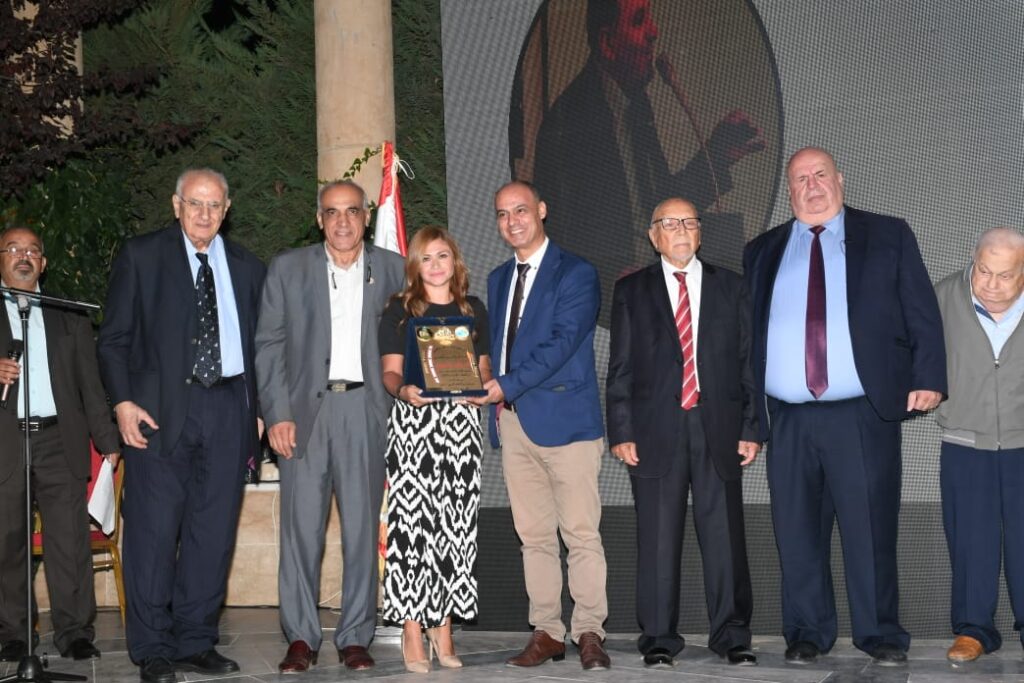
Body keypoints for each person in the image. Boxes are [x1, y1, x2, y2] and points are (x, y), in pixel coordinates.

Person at [743, 147, 946, 666]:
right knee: (796, 532)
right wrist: (749, 417)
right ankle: (807, 632)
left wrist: (928, 376)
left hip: (861, 412)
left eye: (820, 175)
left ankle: (880, 634)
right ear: (789, 191)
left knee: (870, 529)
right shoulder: (762, 250)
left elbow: (920, 309)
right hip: (788, 417)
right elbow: (747, 340)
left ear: (840, 179)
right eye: (800, 179)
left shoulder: (887, 234)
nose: (811, 186)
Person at [97, 169, 266, 683]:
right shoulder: (142, 256)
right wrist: (123, 403)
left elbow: (262, 347)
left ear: (227, 209)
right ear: (176, 206)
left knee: (212, 534)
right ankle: (152, 648)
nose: (204, 214)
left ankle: (195, 640)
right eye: (195, 203)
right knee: (152, 533)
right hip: (158, 413)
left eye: (214, 205)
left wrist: (259, 409)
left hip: (228, 409)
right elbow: (113, 339)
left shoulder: (247, 267)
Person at [530, 0, 765, 325]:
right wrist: (609, 279)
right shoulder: (570, 121)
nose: (654, 32)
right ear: (608, 43)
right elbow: (556, 237)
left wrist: (716, 155)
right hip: (616, 310)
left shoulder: (637, 105)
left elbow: (662, 204)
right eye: (640, 21)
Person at [255, 179, 405, 675]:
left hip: (367, 411)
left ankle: (356, 636)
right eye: (332, 212)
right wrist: (277, 413)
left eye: (352, 211)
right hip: (303, 417)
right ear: (318, 219)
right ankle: (301, 636)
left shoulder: (394, 269)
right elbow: (269, 344)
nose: (343, 221)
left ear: (366, 216)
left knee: (362, 531)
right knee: (300, 532)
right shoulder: (288, 268)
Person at [606, 198, 758, 667]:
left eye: (689, 222)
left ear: (700, 232)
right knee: (657, 539)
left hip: (719, 429)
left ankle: (732, 636)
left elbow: (748, 362)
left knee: (725, 539)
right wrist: (621, 430)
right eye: (669, 224)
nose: (680, 230)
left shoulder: (731, 286)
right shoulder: (631, 290)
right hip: (654, 431)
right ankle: (657, 638)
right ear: (653, 236)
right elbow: (620, 366)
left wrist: (751, 426)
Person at [472, 181, 610, 670]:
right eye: (502, 214)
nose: (512, 221)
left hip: (567, 424)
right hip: (514, 424)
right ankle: (548, 630)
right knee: (533, 536)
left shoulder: (577, 272)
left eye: (521, 210)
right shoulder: (497, 279)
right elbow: (497, 350)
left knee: (581, 534)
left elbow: (562, 342)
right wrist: (480, 377)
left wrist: (504, 384)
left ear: (542, 210)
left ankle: (589, 630)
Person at [0, 227, 119, 663]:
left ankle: (74, 632)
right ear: (0, 259)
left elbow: (90, 383)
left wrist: (107, 439)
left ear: (44, 263)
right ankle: (14, 632)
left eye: (33, 250)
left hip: (58, 438)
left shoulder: (68, 314)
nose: (24, 256)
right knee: (6, 540)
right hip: (5, 439)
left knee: (69, 541)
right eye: (14, 249)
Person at [377, 226, 491, 674]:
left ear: (455, 261)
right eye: (426, 257)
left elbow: (483, 368)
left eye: (442, 255)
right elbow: (390, 372)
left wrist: (479, 386)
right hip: (414, 424)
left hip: (461, 425)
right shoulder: (399, 310)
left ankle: (443, 627)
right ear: (415, 265)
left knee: (455, 527)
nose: (436, 265)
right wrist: (403, 390)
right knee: (413, 529)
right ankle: (411, 627)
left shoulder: (472, 309)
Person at [934, 227, 1024, 663]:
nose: (991, 284)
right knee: (970, 540)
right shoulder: (942, 297)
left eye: (1005, 276)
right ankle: (973, 630)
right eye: (983, 271)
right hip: (965, 440)